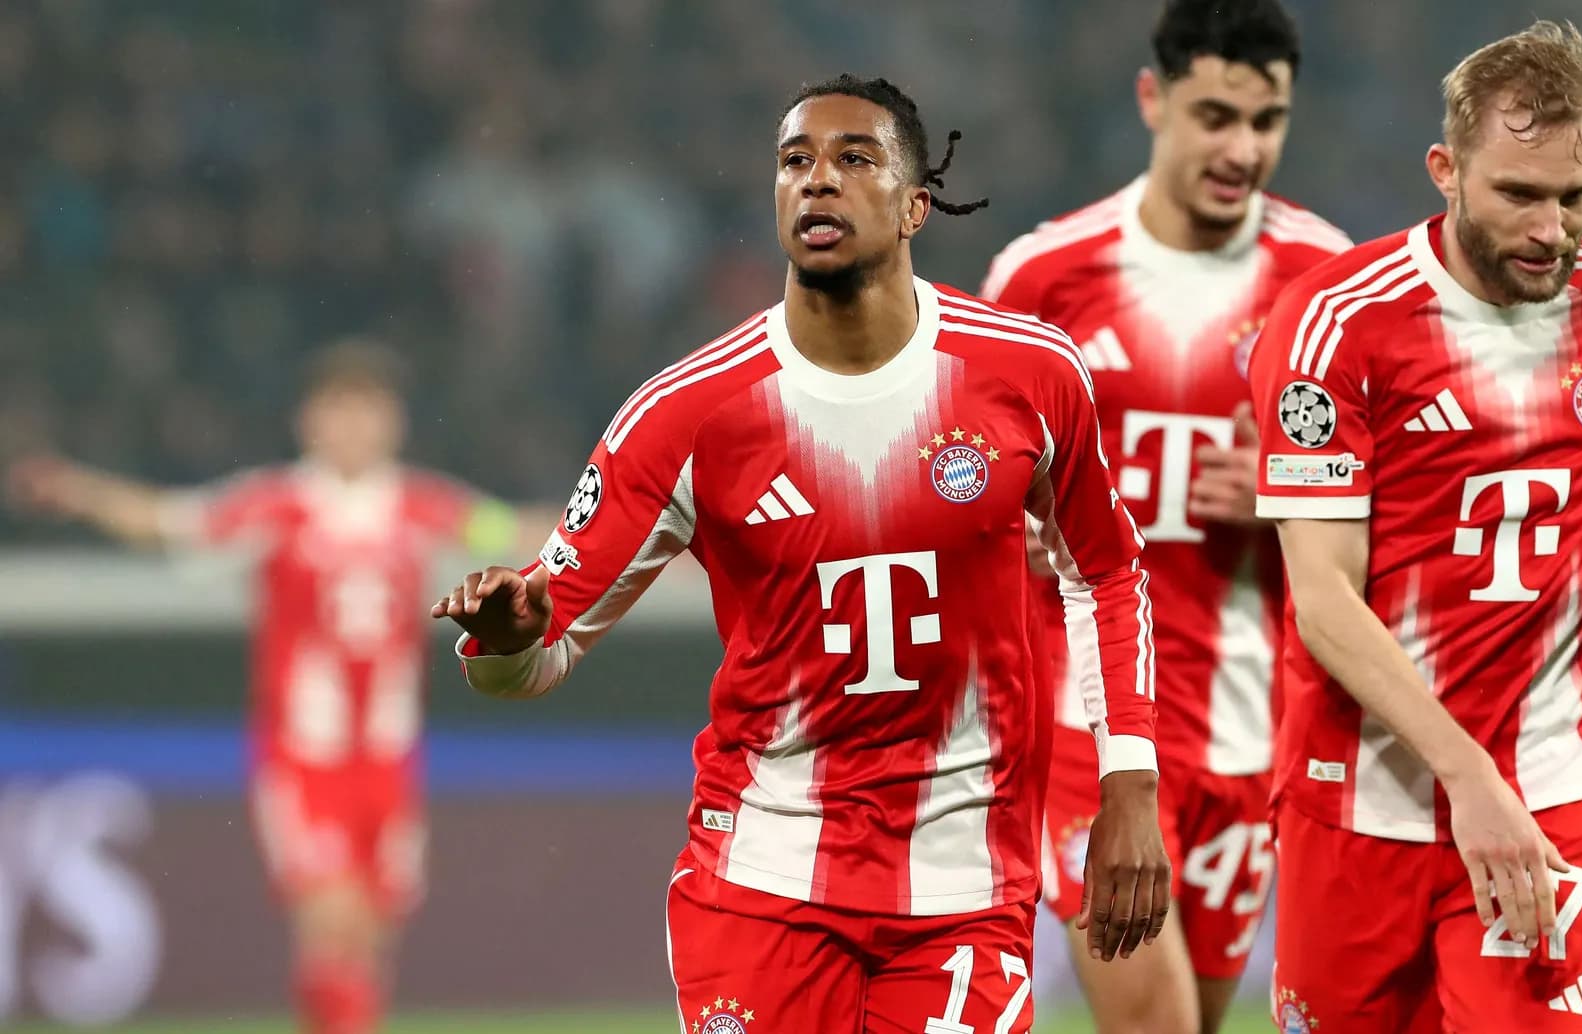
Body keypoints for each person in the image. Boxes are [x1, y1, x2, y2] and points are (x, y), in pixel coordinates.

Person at [433, 74, 1174, 1034]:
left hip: (962, 883)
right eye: (795, 162)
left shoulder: (1025, 373)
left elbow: (1106, 572)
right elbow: (533, 660)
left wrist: (1128, 778)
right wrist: (507, 637)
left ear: (916, 206)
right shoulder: (686, 414)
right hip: (761, 882)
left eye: (853, 159)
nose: (817, 181)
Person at [1247, 21, 1582, 1033]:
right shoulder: (1336, 326)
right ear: (1445, 170)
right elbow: (1322, 598)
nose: (1550, 228)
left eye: (1575, 196)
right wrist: (1465, 774)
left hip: (1545, 783)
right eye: (1517, 194)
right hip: (1358, 794)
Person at [981, 2, 1348, 1030]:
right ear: (1154, 100)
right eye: (1215, 115)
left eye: (1266, 120)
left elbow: (1387, 509)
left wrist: (1286, 491)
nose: (1242, 149)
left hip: (1249, 726)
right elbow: (970, 484)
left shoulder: (1325, 283)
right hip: (1083, 721)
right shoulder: (1042, 276)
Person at [9, 341, 545, 1034]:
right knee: (331, 917)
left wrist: (655, 526)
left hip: (388, 760)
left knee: (368, 939)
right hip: (303, 758)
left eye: (369, 412)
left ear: (395, 423)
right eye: (339, 410)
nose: (354, 427)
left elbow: (523, 531)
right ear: (310, 422)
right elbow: (171, 521)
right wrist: (82, 493)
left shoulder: (423, 508)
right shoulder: (276, 506)